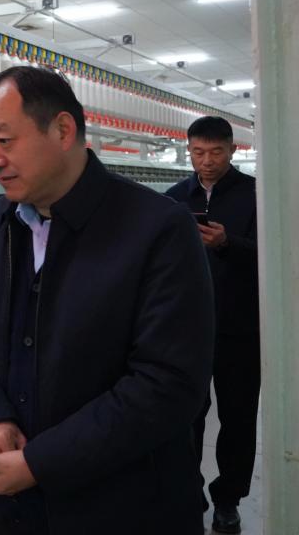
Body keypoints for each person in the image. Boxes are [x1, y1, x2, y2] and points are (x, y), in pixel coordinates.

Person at [0, 65, 214, 535]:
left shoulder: (157, 229)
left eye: (5, 141)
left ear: (63, 130)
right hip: (5, 510)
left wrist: (40, 462)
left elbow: (167, 384)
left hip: (121, 508)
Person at [166, 116, 259, 535]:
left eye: (216, 152)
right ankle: (188, 494)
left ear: (232, 150)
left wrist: (227, 243)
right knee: (186, 415)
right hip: (187, 327)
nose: (206, 161)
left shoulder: (256, 195)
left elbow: (275, 254)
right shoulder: (174, 199)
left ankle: (228, 499)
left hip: (241, 327)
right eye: (198, 152)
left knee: (238, 418)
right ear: (188, 150)